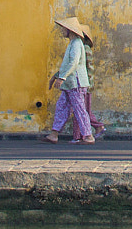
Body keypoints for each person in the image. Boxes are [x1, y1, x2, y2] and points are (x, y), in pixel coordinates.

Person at [42, 16, 103, 144]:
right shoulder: (72, 44)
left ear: (70, 30)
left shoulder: (76, 44)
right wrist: (56, 77)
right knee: (61, 107)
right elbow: (67, 64)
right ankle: (54, 134)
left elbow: (73, 63)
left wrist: (62, 77)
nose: (62, 31)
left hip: (76, 83)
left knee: (79, 109)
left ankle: (88, 135)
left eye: (64, 28)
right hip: (70, 84)